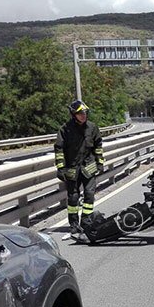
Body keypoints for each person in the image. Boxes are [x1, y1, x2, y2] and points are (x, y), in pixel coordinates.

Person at [54, 100, 104, 235]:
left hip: (89, 166)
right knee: (73, 198)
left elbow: (98, 146)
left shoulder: (92, 128)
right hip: (72, 169)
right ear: (73, 115)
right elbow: (59, 149)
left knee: (89, 195)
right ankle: (74, 224)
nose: (83, 115)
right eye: (80, 113)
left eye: (85, 113)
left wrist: (100, 163)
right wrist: (60, 168)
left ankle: (86, 222)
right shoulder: (65, 129)